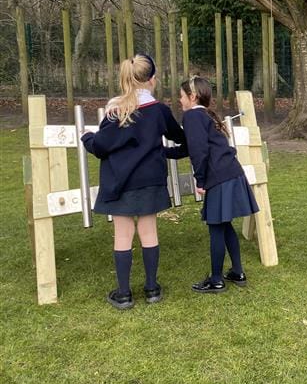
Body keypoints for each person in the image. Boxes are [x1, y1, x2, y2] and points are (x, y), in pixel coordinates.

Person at [81, 54, 186, 309]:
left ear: (124, 79)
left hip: (120, 181)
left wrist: (86, 137)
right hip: (150, 179)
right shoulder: (159, 111)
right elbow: (180, 137)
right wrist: (164, 152)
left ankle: (124, 293)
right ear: (152, 79)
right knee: (149, 231)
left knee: (123, 235)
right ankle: (152, 289)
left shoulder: (115, 111)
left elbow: (101, 146)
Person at [165, 76, 258, 293]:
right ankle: (238, 272)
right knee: (224, 225)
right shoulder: (204, 115)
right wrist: (159, 152)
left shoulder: (192, 116)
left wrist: (201, 180)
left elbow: (199, 152)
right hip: (231, 173)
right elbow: (189, 148)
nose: (179, 100)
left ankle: (216, 280)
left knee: (216, 227)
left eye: (181, 96)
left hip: (219, 178)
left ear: (192, 96)